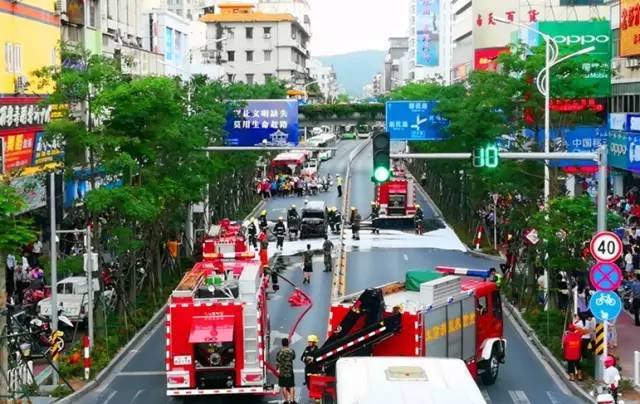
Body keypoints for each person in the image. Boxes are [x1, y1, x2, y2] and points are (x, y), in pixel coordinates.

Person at [276, 338, 296, 404]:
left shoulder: (279, 352)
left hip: (282, 372)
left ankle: (286, 400)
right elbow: (293, 358)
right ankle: (292, 400)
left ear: (282, 344)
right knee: (291, 386)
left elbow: (277, 362)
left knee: (283, 386)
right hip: (290, 371)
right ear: (288, 343)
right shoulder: (291, 351)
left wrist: (277, 369)